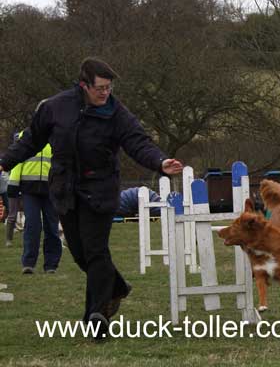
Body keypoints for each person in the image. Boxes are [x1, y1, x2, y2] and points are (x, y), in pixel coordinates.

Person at [0, 57, 183, 339]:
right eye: (100, 88)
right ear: (84, 85)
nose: (105, 93)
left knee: (96, 251)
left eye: (109, 88)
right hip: (65, 189)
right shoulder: (55, 107)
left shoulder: (116, 112)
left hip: (100, 189)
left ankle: (97, 317)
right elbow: (31, 140)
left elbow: (137, 141)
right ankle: (116, 287)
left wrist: (160, 162)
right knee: (80, 254)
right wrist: (5, 162)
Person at [9, 131, 61, 273]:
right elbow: (17, 160)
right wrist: (13, 184)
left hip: (51, 189)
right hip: (29, 189)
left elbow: (63, 162)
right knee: (32, 225)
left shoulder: (57, 136)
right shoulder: (24, 136)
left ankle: (51, 265)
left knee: (52, 227)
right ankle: (28, 264)